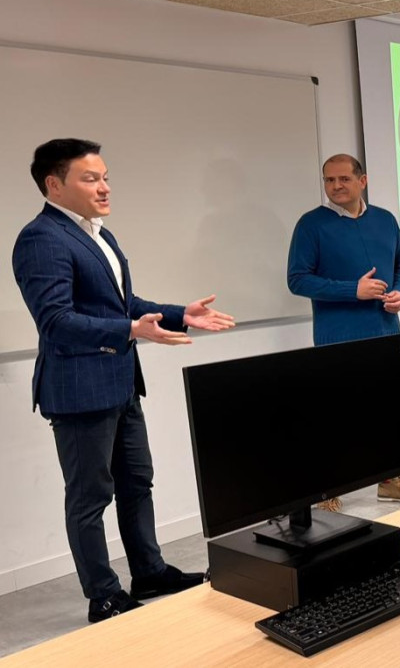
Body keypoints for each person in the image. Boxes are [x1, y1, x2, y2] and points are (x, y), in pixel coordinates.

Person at [12, 138, 236, 622]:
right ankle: (104, 596)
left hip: (120, 382)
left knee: (137, 482)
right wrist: (129, 330)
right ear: (54, 184)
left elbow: (121, 305)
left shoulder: (100, 235)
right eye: (91, 178)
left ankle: (149, 572)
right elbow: (55, 321)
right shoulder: (41, 238)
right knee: (90, 497)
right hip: (78, 390)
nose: (105, 187)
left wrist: (180, 314)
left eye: (106, 177)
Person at [287, 153, 400, 506]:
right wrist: (353, 289)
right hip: (338, 337)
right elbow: (297, 280)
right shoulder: (311, 225)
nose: (335, 186)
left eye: (343, 179)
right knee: (336, 416)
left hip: (385, 332)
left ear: (362, 181)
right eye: (329, 180)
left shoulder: (385, 220)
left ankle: (390, 480)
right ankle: (328, 491)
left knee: (387, 412)